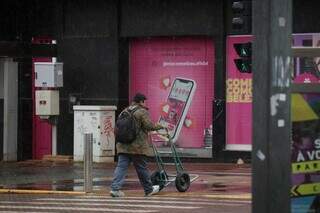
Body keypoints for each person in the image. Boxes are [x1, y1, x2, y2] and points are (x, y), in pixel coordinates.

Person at [110, 92, 164, 197]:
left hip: (123, 145)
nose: (146, 104)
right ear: (141, 101)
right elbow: (149, 126)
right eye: (145, 102)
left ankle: (115, 189)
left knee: (121, 167)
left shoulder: (124, 111)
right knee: (141, 168)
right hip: (137, 147)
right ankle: (148, 189)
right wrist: (160, 126)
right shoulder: (141, 112)